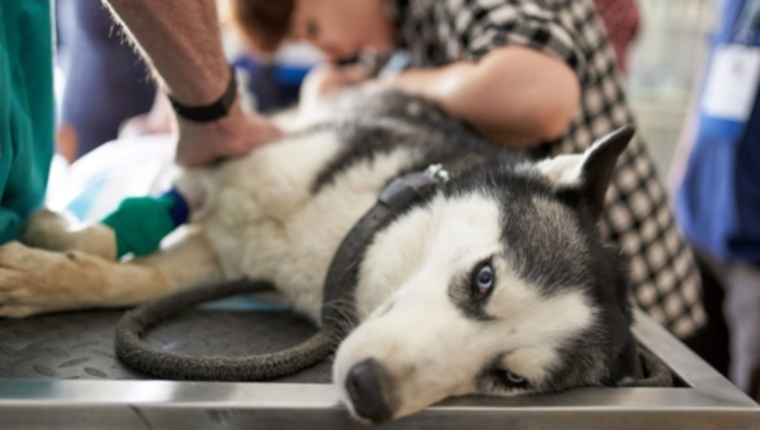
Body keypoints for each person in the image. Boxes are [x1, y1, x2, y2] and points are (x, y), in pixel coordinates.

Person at [223, 0, 704, 338]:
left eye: (310, 26)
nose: (328, 46)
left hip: (641, 307)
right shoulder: (404, 29)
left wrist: (385, 90)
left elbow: (539, 95)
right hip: (545, 306)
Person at [674, 0, 760, 399]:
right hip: (700, 221)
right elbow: (710, 75)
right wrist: (680, 173)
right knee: (693, 389)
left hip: (753, 248)